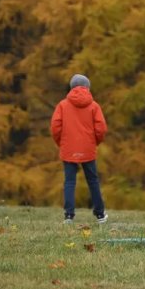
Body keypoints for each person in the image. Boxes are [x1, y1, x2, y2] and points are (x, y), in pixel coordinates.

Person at [51, 74, 108, 224]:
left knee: (69, 181)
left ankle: (69, 215)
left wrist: (61, 143)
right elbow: (101, 129)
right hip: (88, 147)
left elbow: (55, 128)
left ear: (71, 88)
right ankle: (100, 214)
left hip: (68, 147)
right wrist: (95, 142)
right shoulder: (94, 106)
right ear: (87, 87)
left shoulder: (62, 105)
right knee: (93, 181)